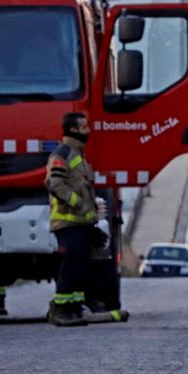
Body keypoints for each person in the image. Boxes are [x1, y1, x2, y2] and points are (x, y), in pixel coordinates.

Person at [44, 112, 130, 326]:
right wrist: (80, 204)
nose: (88, 131)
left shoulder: (78, 155)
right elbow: (54, 184)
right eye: (84, 128)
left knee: (80, 268)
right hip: (67, 223)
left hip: (81, 224)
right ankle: (61, 310)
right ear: (73, 130)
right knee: (70, 267)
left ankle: (74, 308)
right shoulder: (62, 154)